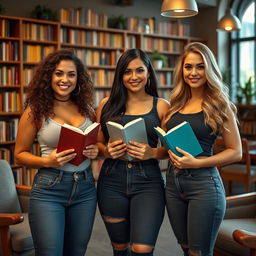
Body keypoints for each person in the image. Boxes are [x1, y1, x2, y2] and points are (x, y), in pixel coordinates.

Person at [14, 49, 98, 256]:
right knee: (50, 252)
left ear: (78, 79)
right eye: (59, 73)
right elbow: (19, 154)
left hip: (86, 188)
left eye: (71, 74)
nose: (65, 79)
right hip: (50, 188)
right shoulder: (36, 110)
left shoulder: (87, 108)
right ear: (49, 76)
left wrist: (97, 150)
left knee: (76, 252)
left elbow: (98, 143)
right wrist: (48, 161)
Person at [164, 42, 242, 256]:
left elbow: (236, 151)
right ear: (182, 69)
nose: (193, 72)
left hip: (204, 184)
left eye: (200, 67)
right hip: (172, 183)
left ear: (209, 69)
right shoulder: (176, 102)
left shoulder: (219, 104)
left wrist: (197, 162)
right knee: (186, 249)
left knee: (199, 253)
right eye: (188, 67)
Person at [96, 48, 170, 256]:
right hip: (111, 181)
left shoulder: (162, 106)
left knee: (142, 249)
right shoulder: (106, 105)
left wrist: (152, 153)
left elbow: (171, 149)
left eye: (139, 70)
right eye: (127, 71)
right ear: (120, 75)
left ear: (148, 73)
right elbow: (96, 146)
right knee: (119, 248)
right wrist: (108, 151)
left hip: (148, 182)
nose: (133, 77)